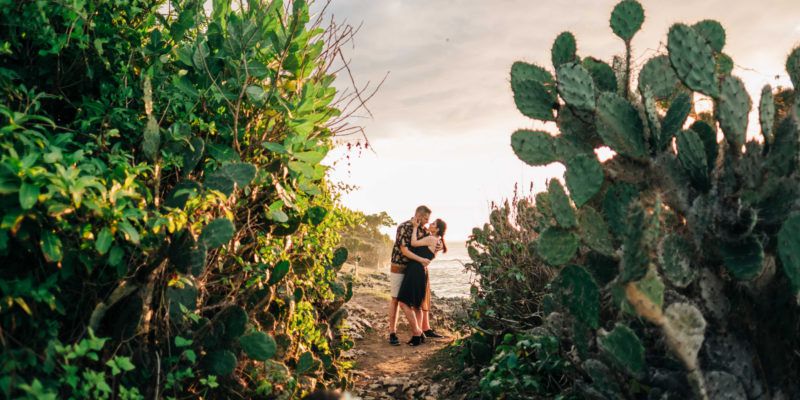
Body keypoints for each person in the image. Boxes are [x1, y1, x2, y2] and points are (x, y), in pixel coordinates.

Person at [388, 205, 437, 346]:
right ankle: (392, 332)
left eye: (429, 219)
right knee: (396, 299)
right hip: (399, 266)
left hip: (412, 270)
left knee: (415, 303)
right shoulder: (403, 227)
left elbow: (429, 247)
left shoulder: (423, 230)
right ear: (419, 216)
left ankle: (418, 332)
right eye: (426, 218)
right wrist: (422, 260)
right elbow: (404, 251)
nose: (428, 221)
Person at [396, 218, 447, 346]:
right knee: (417, 306)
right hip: (420, 271)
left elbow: (413, 243)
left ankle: (417, 333)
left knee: (403, 302)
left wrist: (414, 227)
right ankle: (418, 335)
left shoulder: (431, 239)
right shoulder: (437, 242)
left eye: (433, 224)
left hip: (415, 271)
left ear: (438, 229)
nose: (430, 224)